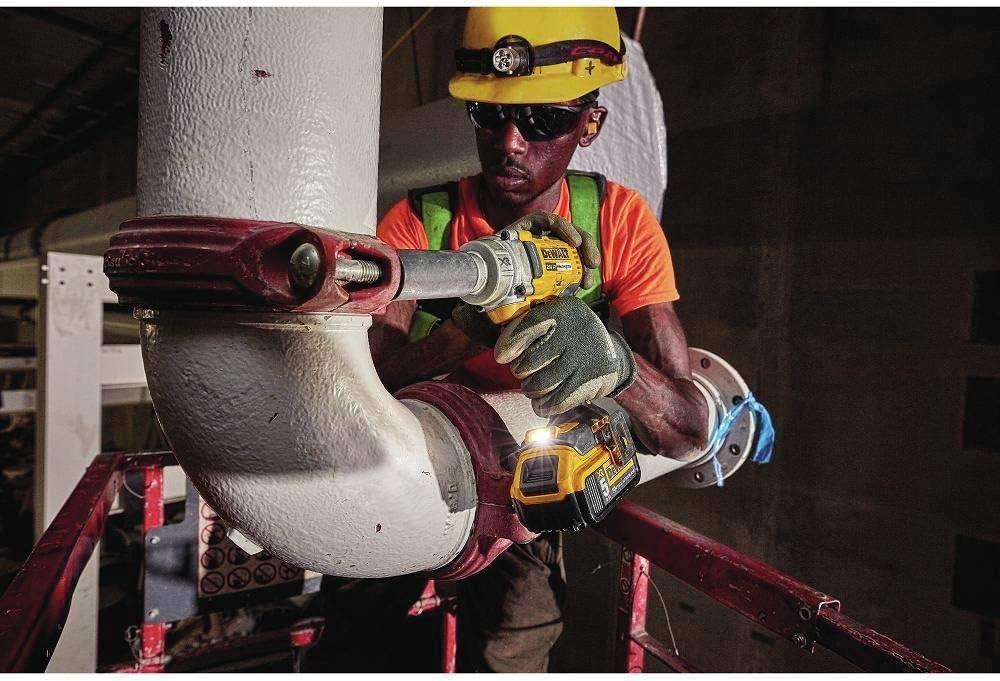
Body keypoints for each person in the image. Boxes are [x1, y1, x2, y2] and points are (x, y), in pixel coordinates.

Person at [372, 7, 710, 672]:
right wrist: (461, 334)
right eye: (490, 115)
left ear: (591, 124)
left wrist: (616, 364)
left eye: (543, 119)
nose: (511, 142)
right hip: (409, 458)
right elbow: (362, 389)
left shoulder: (618, 224)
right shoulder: (421, 221)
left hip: (532, 473)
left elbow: (686, 431)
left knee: (515, 645)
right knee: (361, 638)